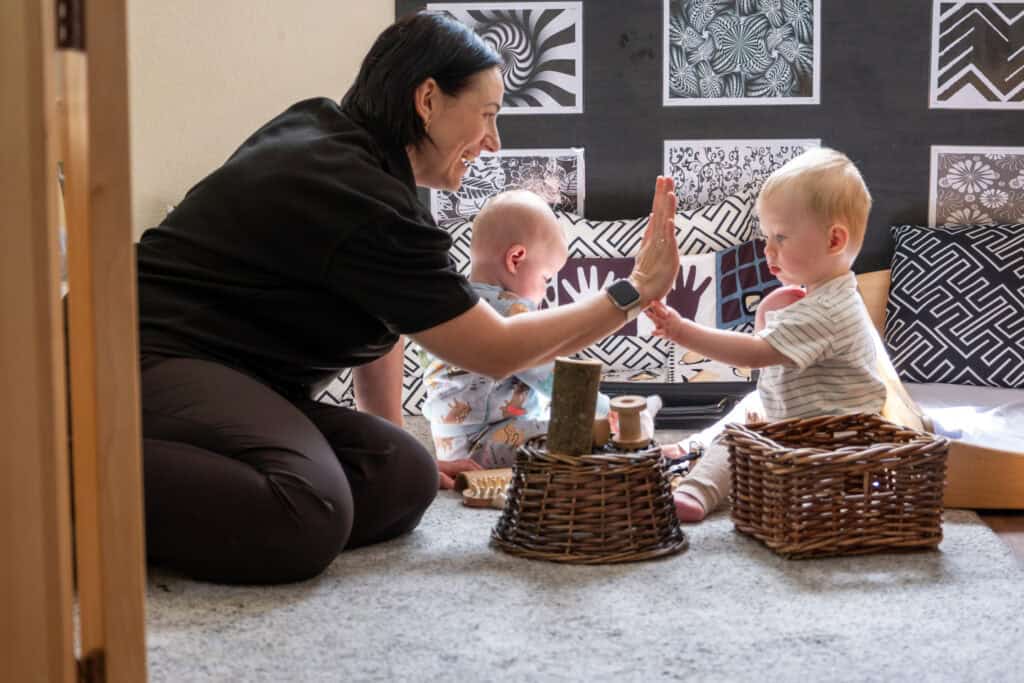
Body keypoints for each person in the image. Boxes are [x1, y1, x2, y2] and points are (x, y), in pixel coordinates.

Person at [135, 11, 680, 584]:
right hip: (145, 355)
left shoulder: (356, 160)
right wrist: (632, 291)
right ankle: (68, 485)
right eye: (488, 115)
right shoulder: (351, 189)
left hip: (239, 376)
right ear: (427, 100)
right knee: (307, 513)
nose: (493, 143)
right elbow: (492, 350)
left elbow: (389, 315)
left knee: (401, 476)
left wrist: (388, 434)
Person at [646, 148, 885, 522]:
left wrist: (680, 329)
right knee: (746, 407)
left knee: (739, 436)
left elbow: (752, 355)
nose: (767, 249)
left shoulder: (824, 311)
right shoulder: (829, 296)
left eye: (781, 237)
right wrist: (769, 311)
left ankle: (697, 491)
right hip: (812, 423)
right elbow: (775, 365)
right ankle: (693, 446)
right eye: (766, 236)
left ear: (834, 240)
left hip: (826, 444)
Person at [420, 190, 661, 468]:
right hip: (485, 442)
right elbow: (556, 379)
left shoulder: (455, 303)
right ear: (516, 258)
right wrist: (607, 410)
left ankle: (634, 416)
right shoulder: (509, 311)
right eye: (547, 278)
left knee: (547, 410)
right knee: (577, 434)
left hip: (451, 444)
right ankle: (632, 421)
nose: (545, 292)